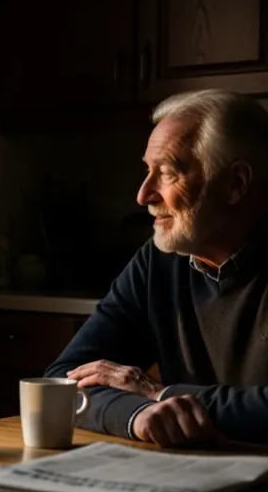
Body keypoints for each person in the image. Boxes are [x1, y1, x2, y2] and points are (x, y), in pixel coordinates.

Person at [46, 89, 268, 447]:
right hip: (194, 480)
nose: (143, 195)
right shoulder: (159, 261)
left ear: (236, 184)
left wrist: (159, 393)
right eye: (147, 170)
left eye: (166, 173)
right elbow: (63, 382)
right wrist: (136, 415)